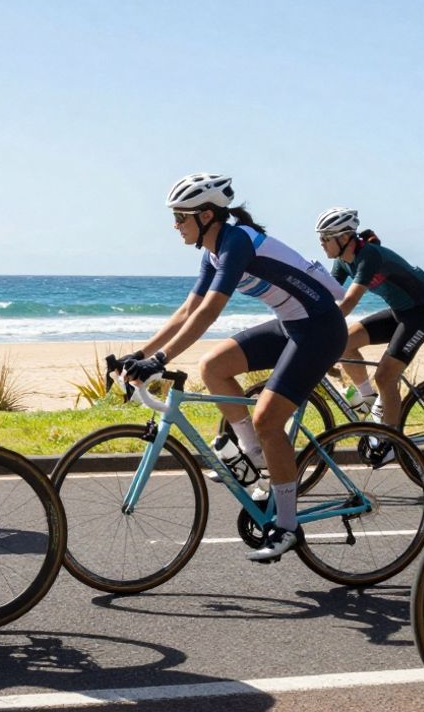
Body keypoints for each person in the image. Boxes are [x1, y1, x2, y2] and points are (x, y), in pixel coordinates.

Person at [122, 173, 346, 563]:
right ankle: (257, 455)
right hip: (292, 324)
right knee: (212, 367)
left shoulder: (236, 241)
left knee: (268, 419)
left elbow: (210, 311)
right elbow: (188, 309)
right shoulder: (213, 249)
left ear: (206, 215)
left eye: (180, 217)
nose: (175, 225)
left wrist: (160, 361)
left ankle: (288, 527)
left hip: (321, 329)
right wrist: (142, 352)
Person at [315, 207, 424, 435]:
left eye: (325, 238)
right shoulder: (343, 260)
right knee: (343, 344)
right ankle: (369, 400)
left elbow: (350, 300)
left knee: (385, 377)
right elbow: (328, 293)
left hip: (422, 314)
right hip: (399, 313)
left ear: (344, 238)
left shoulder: (368, 255)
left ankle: (391, 439)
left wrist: (321, 326)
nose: (321, 243)